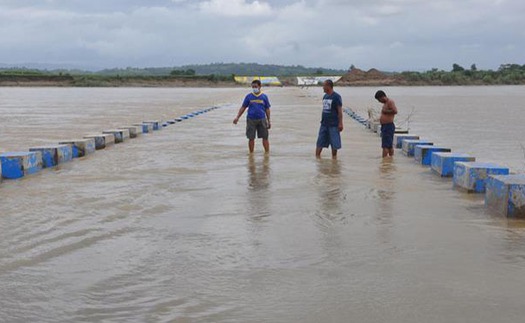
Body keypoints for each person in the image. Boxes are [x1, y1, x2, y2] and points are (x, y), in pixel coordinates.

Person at [233, 80, 271, 154]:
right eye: (253, 87)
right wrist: (237, 117)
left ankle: (267, 154)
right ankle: (251, 154)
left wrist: (269, 120)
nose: (254, 88)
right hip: (251, 120)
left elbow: (267, 109)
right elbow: (243, 107)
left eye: (256, 87)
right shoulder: (248, 96)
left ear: (260, 87)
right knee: (251, 138)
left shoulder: (264, 97)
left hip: (262, 119)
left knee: (265, 137)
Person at [316, 80, 343, 159]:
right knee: (320, 142)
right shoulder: (325, 96)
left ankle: (334, 159)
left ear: (328, 86)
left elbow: (340, 111)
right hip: (324, 124)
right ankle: (317, 158)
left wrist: (340, 123)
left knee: (334, 144)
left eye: (324, 86)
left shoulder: (336, 97)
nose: (323, 88)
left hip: (333, 124)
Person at [375, 90, 398, 158]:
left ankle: (384, 161)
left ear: (382, 97)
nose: (379, 101)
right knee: (389, 145)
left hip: (388, 126)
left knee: (385, 145)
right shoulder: (385, 103)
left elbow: (395, 111)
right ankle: (390, 159)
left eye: (379, 99)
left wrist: (385, 111)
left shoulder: (390, 102)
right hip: (385, 126)